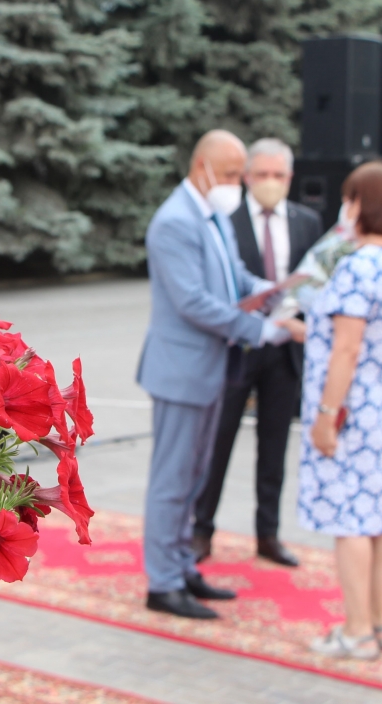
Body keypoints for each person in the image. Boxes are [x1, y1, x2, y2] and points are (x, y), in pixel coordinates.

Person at [137, 130, 305, 621]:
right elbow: (193, 302)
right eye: (231, 174)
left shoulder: (212, 215)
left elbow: (234, 278)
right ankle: (162, 583)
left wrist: (274, 290)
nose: (238, 183)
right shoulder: (174, 221)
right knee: (172, 480)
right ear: (203, 167)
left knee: (194, 478)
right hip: (181, 370)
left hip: (209, 368)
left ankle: (181, 565)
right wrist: (260, 330)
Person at [297, 161, 382, 661]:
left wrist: (327, 414)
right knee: (381, 517)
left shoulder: (358, 265)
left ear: (363, 205)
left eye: (350, 199)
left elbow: (346, 349)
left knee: (350, 521)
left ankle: (355, 631)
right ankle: (378, 621)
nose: (344, 209)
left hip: (351, 410)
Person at [192, 138, 322, 568]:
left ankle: (268, 533)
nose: (270, 182)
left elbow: (314, 283)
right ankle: (201, 531)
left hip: (284, 351)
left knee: (274, 445)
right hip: (238, 348)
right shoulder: (224, 221)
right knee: (218, 442)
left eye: (278, 175)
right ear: (247, 177)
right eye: (262, 174)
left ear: (290, 178)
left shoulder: (306, 222)